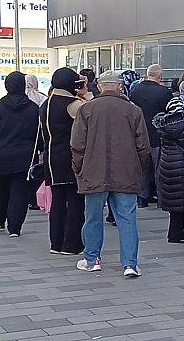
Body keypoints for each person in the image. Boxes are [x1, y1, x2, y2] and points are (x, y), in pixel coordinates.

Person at [71, 71, 151, 276]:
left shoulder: (86, 109)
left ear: (99, 86)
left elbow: (77, 145)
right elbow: (143, 146)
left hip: (93, 171)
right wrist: (139, 169)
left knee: (93, 217)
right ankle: (130, 264)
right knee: (126, 219)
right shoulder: (133, 111)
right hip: (126, 171)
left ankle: (92, 259)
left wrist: (79, 168)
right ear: (119, 86)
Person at [0, 72, 39, 237]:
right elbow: (38, 134)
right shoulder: (33, 108)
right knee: (19, 191)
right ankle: (14, 228)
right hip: (24, 156)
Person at [40, 68, 88, 255]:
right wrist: (86, 94)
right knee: (75, 202)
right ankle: (71, 244)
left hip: (51, 158)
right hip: (71, 157)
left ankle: (56, 243)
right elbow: (93, 117)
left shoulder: (46, 104)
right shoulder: (74, 104)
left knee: (57, 202)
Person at [153, 96, 184, 243]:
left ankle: (174, 232)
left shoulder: (163, 125)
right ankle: (179, 233)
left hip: (167, 163)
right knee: (183, 199)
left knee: (174, 201)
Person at [129, 64, 172, 209]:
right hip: (158, 135)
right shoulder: (164, 92)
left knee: (142, 168)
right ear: (160, 77)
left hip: (139, 134)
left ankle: (142, 197)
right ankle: (161, 198)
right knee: (159, 169)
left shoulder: (135, 90)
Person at [25, 75, 48, 210]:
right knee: (36, 169)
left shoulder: (21, 97)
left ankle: (26, 197)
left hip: (22, 141)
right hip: (38, 140)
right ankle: (35, 199)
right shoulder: (42, 98)